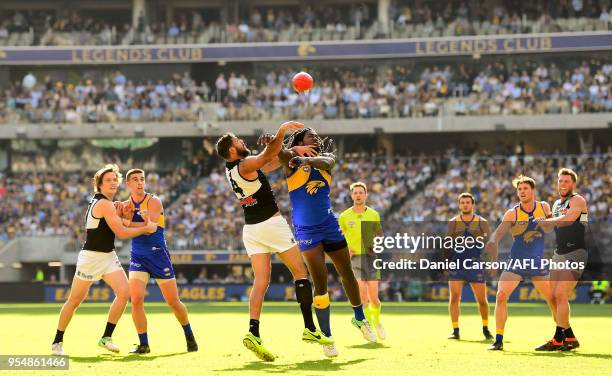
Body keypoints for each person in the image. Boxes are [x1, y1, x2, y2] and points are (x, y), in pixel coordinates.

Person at [215, 121, 333, 362]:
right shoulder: (246, 163)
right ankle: (310, 328)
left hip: (251, 230)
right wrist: (282, 131)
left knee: (261, 281)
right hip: (271, 225)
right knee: (301, 273)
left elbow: (269, 163)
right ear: (231, 150)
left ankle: (254, 332)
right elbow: (268, 155)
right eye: (238, 141)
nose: (242, 142)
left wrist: (295, 151)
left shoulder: (234, 169)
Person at [278, 127, 377, 358]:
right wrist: (291, 149)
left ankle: (360, 318)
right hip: (306, 230)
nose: (316, 137)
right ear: (301, 141)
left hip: (329, 224)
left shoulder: (325, 159)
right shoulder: (292, 163)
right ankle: (327, 337)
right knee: (320, 283)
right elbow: (280, 154)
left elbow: (326, 162)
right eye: (310, 135)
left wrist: (302, 156)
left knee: (347, 273)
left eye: (316, 135)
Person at [52, 164, 157, 356]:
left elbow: (115, 226)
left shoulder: (107, 203)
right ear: (99, 184)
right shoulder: (104, 203)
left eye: (115, 179)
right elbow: (122, 232)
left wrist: (122, 215)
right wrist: (146, 228)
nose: (112, 182)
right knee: (75, 300)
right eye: (108, 180)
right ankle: (57, 342)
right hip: (91, 257)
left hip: (108, 255)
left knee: (125, 293)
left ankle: (106, 337)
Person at [119, 168, 197, 354]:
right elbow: (123, 229)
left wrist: (128, 222)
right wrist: (124, 219)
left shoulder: (153, 201)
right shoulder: (124, 205)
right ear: (128, 184)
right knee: (136, 300)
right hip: (138, 256)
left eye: (142, 179)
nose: (140, 182)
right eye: (135, 179)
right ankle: (144, 344)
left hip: (158, 255)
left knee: (173, 302)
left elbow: (151, 228)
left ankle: (189, 335)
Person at [485, 175, 557, 351]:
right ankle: (499, 340)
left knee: (553, 299)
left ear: (532, 190)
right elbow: (498, 234)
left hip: (536, 263)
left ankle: (562, 336)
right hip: (516, 262)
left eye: (525, 188)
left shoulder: (544, 207)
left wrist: (546, 222)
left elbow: (550, 228)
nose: (522, 192)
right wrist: (493, 251)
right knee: (501, 296)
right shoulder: (512, 213)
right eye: (519, 189)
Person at [534, 168, 589, 351]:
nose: (562, 184)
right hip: (559, 253)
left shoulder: (578, 200)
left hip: (576, 252)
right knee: (554, 297)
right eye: (560, 181)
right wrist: (543, 219)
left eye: (566, 181)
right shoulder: (557, 203)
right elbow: (551, 229)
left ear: (573, 184)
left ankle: (558, 340)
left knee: (560, 294)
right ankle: (570, 338)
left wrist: (548, 220)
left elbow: (568, 220)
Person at [338, 181, 386, 340]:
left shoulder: (373, 214)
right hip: (354, 259)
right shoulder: (344, 217)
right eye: (355, 193)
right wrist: (346, 250)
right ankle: (368, 327)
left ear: (366, 195)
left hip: (370, 258)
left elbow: (380, 235)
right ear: (352, 195)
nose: (358, 195)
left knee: (374, 299)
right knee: (363, 297)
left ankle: (377, 322)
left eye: (361, 192)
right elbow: (339, 238)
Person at [445, 193, 493, 341]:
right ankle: (455, 330)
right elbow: (447, 245)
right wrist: (446, 263)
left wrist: (491, 262)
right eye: (462, 203)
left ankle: (485, 328)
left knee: (482, 300)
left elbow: (490, 244)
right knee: (454, 299)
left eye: (468, 202)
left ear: (472, 205)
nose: (465, 205)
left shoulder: (481, 222)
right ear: (459, 205)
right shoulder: (453, 222)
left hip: (475, 264)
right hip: (457, 264)